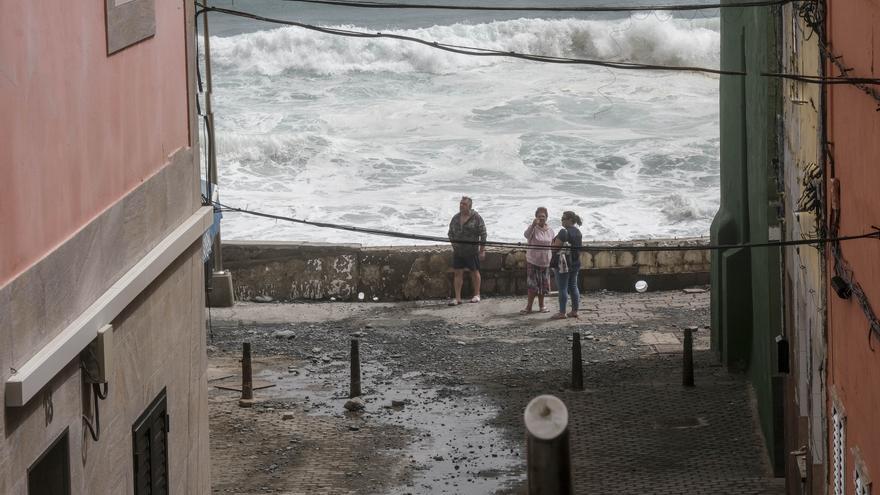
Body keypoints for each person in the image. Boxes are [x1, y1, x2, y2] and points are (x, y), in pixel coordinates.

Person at [447, 196, 487, 305]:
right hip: (458, 251)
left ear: (469, 206)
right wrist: (454, 245)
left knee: (474, 272)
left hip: (472, 251)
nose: (461, 205)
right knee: (457, 273)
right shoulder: (455, 217)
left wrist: (482, 250)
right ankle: (458, 298)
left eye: (463, 204)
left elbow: (483, 234)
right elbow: (450, 233)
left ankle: (477, 294)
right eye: (460, 203)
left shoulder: (476, 218)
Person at [550, 210, 583, 319]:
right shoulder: (578, 232)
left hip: (563, 264)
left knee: (562, 288)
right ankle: (574, 311)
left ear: (570, 220)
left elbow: (555, 248)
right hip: (575, 263)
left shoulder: (563, 232)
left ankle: (562, 312)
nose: (562, 220)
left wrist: (552, 243)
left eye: (564, 218)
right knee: (573, 286)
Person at [521, 207, 554, 314]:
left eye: (543, 216)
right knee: (532, 286)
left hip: (545, 262)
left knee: (543, 286)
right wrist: (533, 224)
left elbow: (552, 243)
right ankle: (529, 307)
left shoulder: (550, 230)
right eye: (539, 216)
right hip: (533, 260)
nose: (541, 218)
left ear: (547, 217)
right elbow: (526, 235)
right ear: (536, 217)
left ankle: (542, 306)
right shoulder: (533, 228)